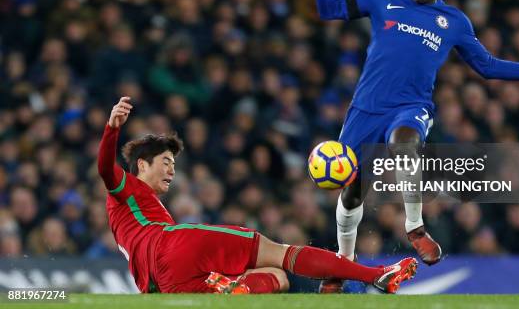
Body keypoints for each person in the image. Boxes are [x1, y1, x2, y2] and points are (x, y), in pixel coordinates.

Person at [308, 0, 519, 293]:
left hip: (411, 106)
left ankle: (414, 226)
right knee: (353, 190)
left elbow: (487, 66)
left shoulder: (453, 22)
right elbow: (328, 9)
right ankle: (343, 266)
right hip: (365, 109)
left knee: (405, 143)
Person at [98, 96, 418, 294]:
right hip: (170, 244)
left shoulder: (139, 208)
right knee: (281, 253)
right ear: (141, 164)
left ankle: (239, 288)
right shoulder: (125, 186)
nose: (171, 170)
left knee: (277, 278)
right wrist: (112, 128)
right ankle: (376, 275)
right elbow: (104, 169)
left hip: (160, 284)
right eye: (166, 162)